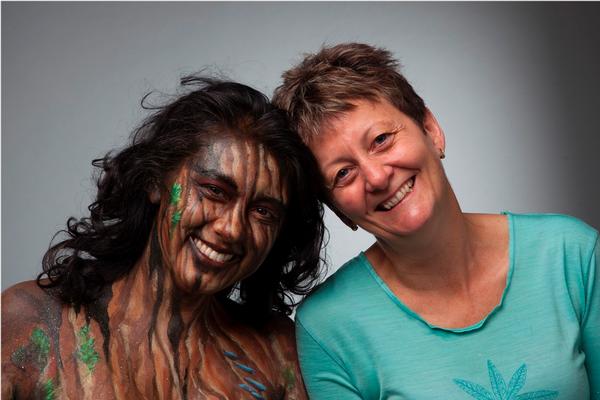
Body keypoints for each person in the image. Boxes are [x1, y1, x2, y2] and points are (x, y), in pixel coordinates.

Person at [273, 43, 599, 399]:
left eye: (381, 140)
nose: (377, 178)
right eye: (344, 173)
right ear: (336, 209)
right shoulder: (328, 328)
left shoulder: (571, 254)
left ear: (431, 130)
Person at [1, 76, 325, 399]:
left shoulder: (276, 353)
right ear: (157, 181)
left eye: (263, 213)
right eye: (214, 191)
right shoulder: (31, 324)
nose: (232, 228)